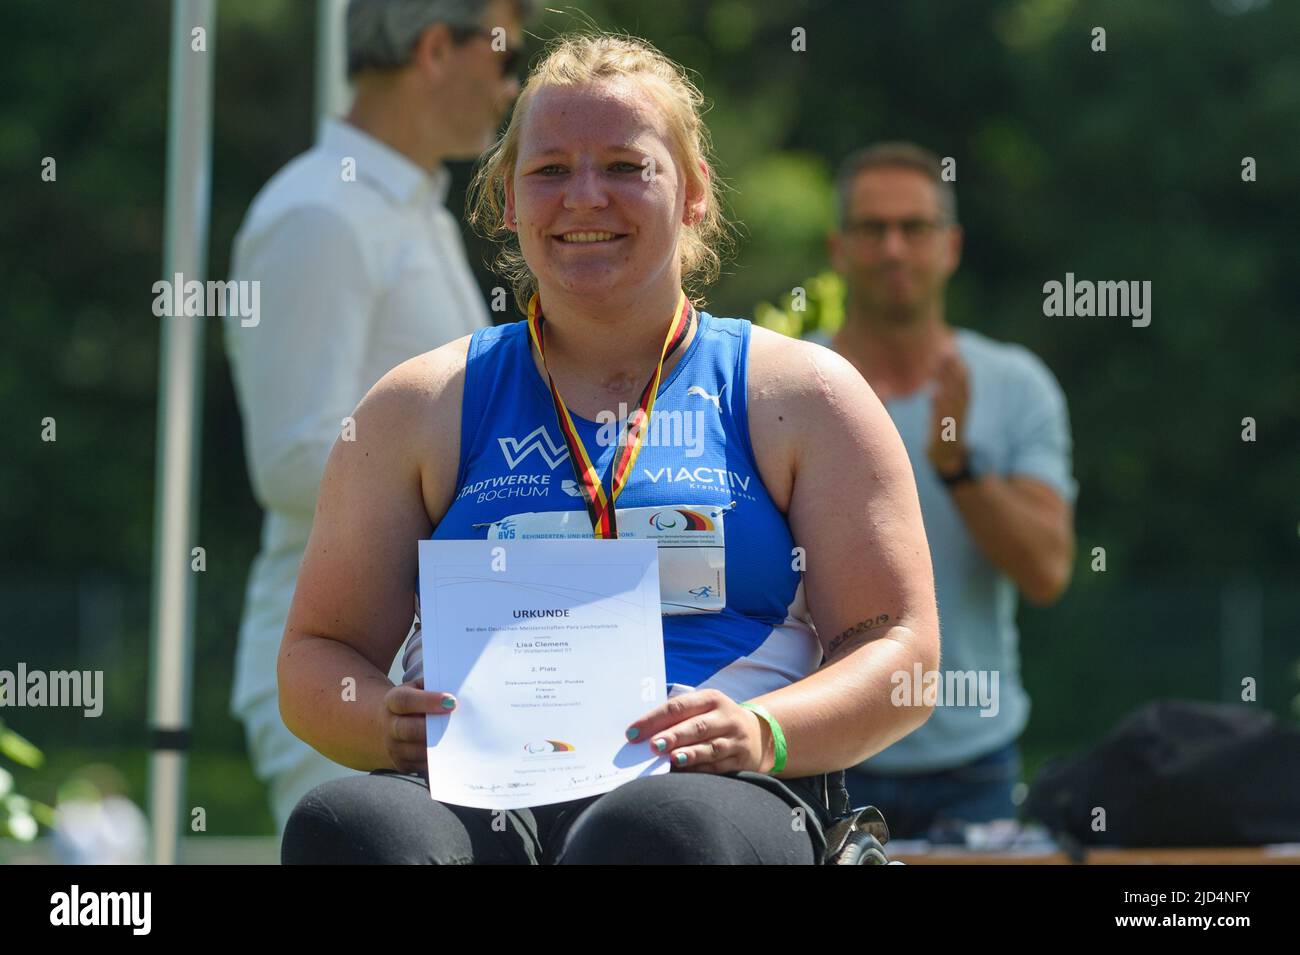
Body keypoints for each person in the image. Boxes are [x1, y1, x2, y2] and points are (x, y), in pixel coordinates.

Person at [277, 33, 940, 865]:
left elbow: (899, 645)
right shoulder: (420, 405)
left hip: (713, 794)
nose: (585, 197)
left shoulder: (801, 395)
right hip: (487, 794)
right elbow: (316, 655)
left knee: (650, 837)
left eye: (626, 167)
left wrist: (765, 731)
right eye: (550, 170)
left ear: (694, 193)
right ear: (509, 204)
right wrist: (378, 716)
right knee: (351, 827)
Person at [223, 0, 532, 834]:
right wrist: (491, 478)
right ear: (436, 48)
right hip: (348, 668)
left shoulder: (412, 211)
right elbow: (288, 459)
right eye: (503, 57)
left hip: (438, 654)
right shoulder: (318, 214)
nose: (511, 87)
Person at [816, 142, 1078, 838]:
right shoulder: (787, 384)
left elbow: (1047, 571)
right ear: (839, 247)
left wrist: (959, 469)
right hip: (826, 749)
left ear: (951, 245)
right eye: (872, 229)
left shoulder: (1016, 385)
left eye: (915, 227)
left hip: (974, 764)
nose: (893, 248)